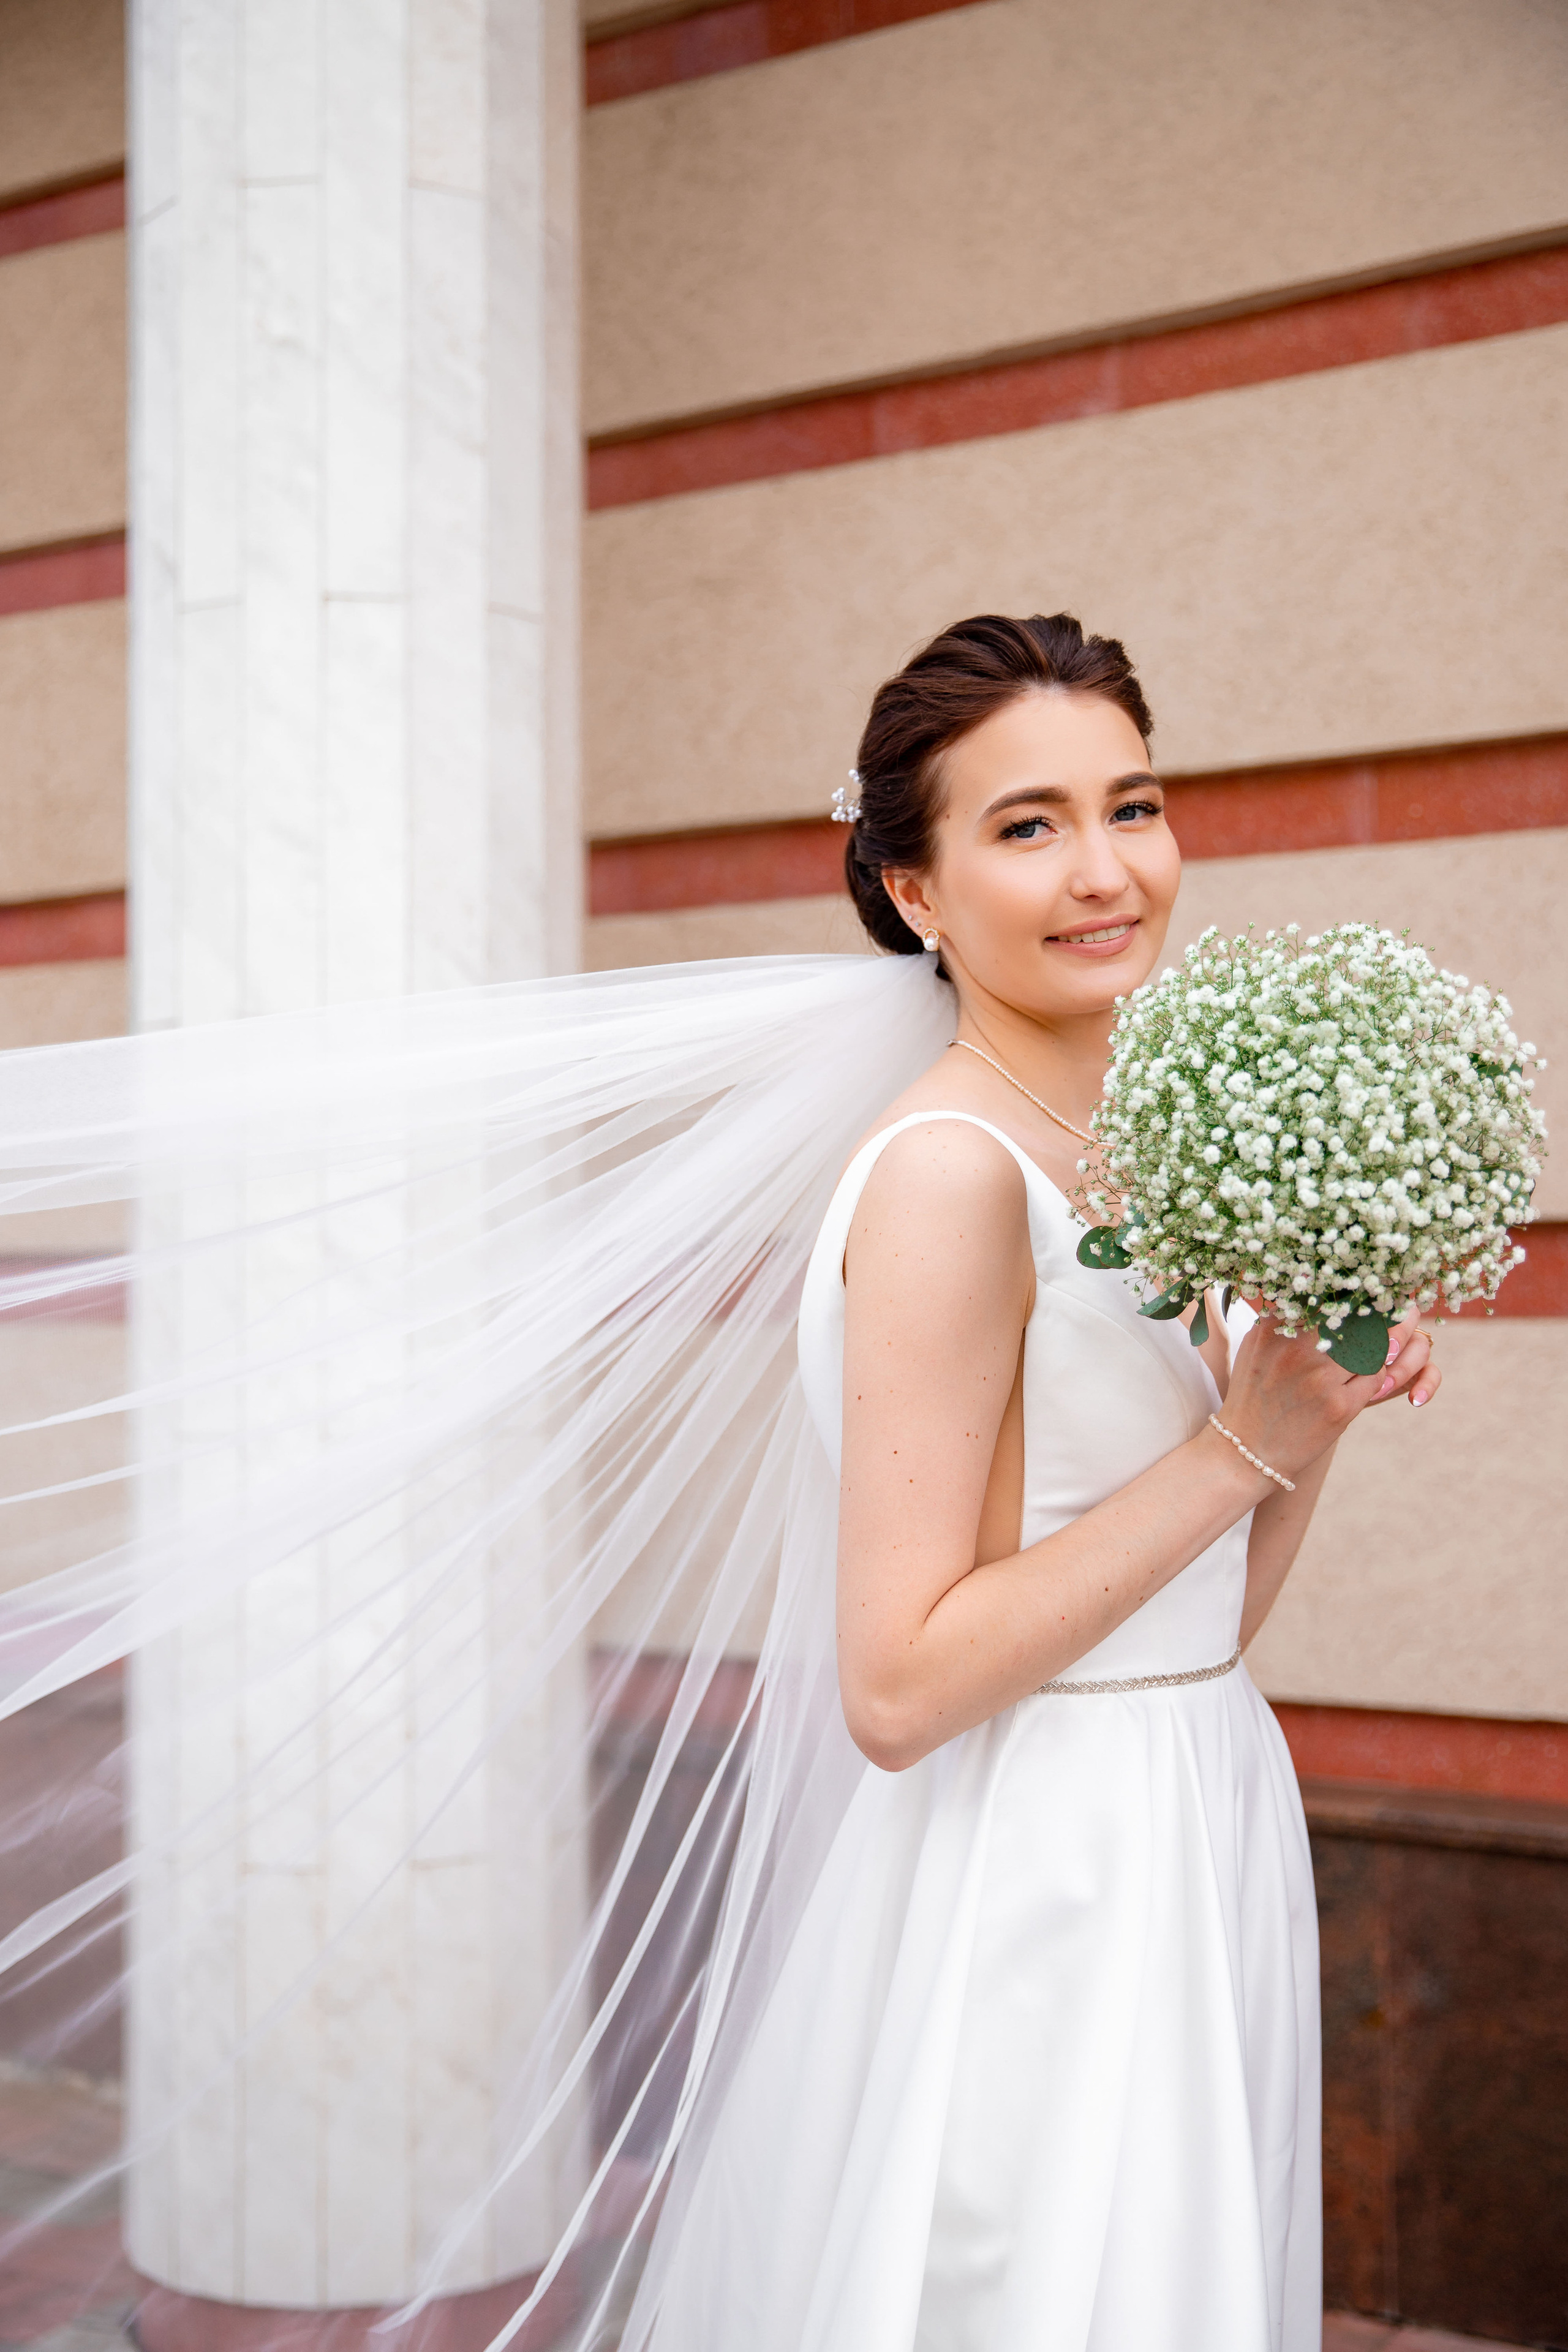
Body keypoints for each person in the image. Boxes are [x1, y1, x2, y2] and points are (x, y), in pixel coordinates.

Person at [636, 614, 1440, 2351]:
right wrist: (1242, 1446)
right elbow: (902, 1684)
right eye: (1026, 826)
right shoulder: (952, 1173)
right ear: (915, 894)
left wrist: (1307, 1421)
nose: (1106, 872)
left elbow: (1199, 1622)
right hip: (1039, 1879)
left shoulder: (1154, 1147)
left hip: (1196, 1799)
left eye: (1131, 805)